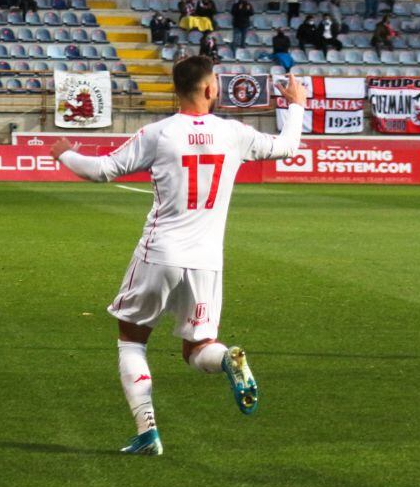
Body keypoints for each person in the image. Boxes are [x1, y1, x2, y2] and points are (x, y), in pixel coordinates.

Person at [49, 57, 308, 456]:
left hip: (160, 253)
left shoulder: (159, 133)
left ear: (177, 90)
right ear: (209, 89)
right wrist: (296, 104)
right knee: (199, 348)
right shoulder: (234, 133)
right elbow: (288, 147)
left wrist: (64, 152)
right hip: (207, 260)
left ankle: (147, 432)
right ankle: (226, 360)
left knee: (131, 341)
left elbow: (101, 169)